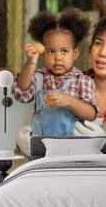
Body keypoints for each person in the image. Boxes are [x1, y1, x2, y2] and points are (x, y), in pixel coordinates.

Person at [12, 8, 97, 137]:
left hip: (72, 147)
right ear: (43, 55)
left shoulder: (82, 80)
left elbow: (91, 114)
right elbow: (21, 93)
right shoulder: (39, 78)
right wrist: (30, 63)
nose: (58, 57)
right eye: (51, 51)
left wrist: (69, 100)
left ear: (74, 54)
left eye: (64, 51)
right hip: (42, 145)